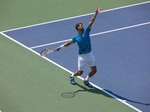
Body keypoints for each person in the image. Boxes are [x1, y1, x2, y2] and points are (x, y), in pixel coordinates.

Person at [56, 8, 102, 87]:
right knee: (80, 73)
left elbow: (91, 21)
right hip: (82, 57)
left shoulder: (86, 31)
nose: (83, 26)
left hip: (90, 55)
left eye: (82, 25)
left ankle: (86, 80)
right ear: (78, 28)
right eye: (81, 25)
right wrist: (61, 46)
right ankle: (72, 75)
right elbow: (69, 43)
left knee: (94, 71)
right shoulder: (76, 37)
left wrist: (96, 13)